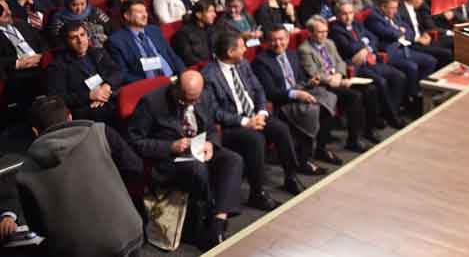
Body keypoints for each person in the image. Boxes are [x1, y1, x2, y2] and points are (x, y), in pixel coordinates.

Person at [128, 71, 244, 250]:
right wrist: (170, 146)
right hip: (168, 159)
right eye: (188, 100)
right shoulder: (151, 103)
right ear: (175, 90)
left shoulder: (202, 95)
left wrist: (211, 144)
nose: (194, 103)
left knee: (233, 160)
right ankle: (206, 226)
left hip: (198, 149)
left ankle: (217, 223)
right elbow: (134, 141)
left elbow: (212, 128)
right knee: (197, 169)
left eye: (196, 99)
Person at [15, 96, 144, 257]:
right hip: (128, 232)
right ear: (69, 117)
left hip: (76, 250)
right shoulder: (102, 132)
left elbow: (37, 227)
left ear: (35, 130)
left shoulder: (25, 172)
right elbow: (135, 168)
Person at [201, 33, 304, 206]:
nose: (246, 50)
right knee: (256, 139)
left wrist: (262, 112)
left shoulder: (243, 64)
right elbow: (213, 112)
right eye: (242, 47)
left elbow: (258, 90)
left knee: (280, 129)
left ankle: (290, 177)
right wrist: (245, 122)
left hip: (254, 116)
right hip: (230, 125)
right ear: (230, 51)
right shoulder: (209, 75)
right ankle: (257, 193)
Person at [253, 27, 342, 174]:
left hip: (301, 90)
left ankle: (321, 149)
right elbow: (270, 92)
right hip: (283, 100)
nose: (278, 43)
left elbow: (301, 78)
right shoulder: (261, 61)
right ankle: (303, 160)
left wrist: (310, 82)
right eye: (273, 40)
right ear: (267, 42)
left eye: (281, 39)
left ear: (288, 40)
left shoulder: (292, 54)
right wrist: (296, 94)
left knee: (329, 98)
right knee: (313, 110)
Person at [299, 16, 377, 151]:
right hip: (323, 86)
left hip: (338, 79)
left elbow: (340, 62)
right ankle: (353, 140)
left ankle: (368, 131)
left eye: (325, 31)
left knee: (370, 90)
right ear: (310, 33)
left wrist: (339, 75)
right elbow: (313, 73)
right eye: (320, 32)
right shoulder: (305, 49)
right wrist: (332, 79)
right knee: (354, 96)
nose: (324, 35)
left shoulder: (329, 43)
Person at [330, 0, 407, 129]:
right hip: (356, 67)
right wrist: (365, 45)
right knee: (381, 82)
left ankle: (389, 112)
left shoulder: (357, 23)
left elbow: (373, 38)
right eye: (344, 14)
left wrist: (365, 48)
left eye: (350, 13)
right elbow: (349, 48)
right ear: (337, 15)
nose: (348, 17)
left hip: (371, 60)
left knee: (399, 77)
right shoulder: (335, 30)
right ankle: (392, 118)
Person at [364, 0, 437, 110]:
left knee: (430, 61)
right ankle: (410, 98)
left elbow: (409, 31)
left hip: (405, 48)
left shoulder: (395, 15)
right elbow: (389, 33)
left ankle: (420, 92)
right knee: (411, 67)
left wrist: (400, 32)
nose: (395, 11)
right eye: (392, 8)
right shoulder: (374, 18)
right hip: (391, 53)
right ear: (383, 7)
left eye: (396, 8)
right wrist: (399, 31)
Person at [46, 22, 123, 124]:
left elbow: (117, 72)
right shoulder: (57, 66)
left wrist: (106, 86)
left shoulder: (98, 52)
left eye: (82, 35)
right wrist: (89, 95)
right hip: (86, 106)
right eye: (74, 38)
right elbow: (57, 98)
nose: (80, 41)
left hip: (109, 94)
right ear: (66, 42)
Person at [106, 0, 186, 83]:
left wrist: (183, 73)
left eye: (145, 11)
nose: (145, 15)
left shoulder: (154, 30)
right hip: (148, 85)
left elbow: (171, 55)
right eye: (140, 12)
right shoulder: (116, 41)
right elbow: (123, 73)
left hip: (173, 78)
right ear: (127, 16)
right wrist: (147, 84)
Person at [397, 0, 453, 67]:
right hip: (413, 44)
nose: (422, 1)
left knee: (454, 41)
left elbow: (419, 27)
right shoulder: (401, 12)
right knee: (446, 53)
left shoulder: (415, 9)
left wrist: (424, 34)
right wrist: (418, 39)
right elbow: (404, 31)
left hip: (423, 39)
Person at [48, 0, 114, 48]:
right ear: (67, 4)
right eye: (74, 5)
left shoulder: (95, 11)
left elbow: (111, 27)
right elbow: (57, 40)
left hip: (105, 45)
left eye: (82, 4)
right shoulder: (59, 18)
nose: (79, 9)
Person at [172, 0, 218, 67]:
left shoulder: (213, 29)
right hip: (201, 68)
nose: (214, 15)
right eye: (210, 12)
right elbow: (189, 58)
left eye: (214, 11)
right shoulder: (183, 34)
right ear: (198, 14)